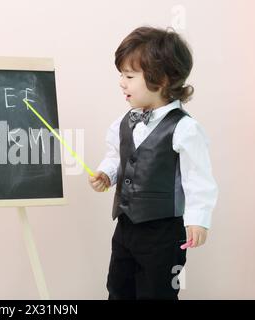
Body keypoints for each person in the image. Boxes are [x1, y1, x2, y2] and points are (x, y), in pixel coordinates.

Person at [88, 26, 218, 299]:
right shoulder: (124, 122)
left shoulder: (184, 129)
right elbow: (117, 155)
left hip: (163, 232)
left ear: (160, 80)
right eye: (121, 75)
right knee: (118, 286)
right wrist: (106, 174)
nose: (122, 82)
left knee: (157, 291)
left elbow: (198, 178)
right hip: (125, 227)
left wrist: (198, 220)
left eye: (129, 75)